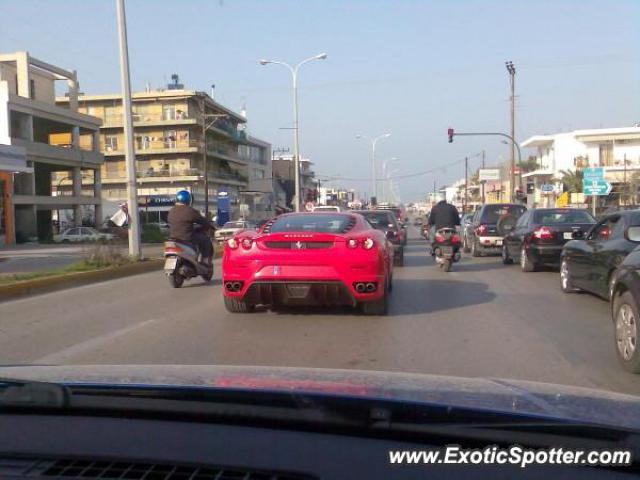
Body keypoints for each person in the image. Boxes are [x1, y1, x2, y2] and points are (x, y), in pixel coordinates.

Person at [167, 190, 214, 264]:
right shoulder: (190, 211)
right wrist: (211, 226)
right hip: (187, 238)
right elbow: (203, 221)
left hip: (173, 238)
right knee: (205, 240)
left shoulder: (171, 211)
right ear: (188, 200)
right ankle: (205, 261)